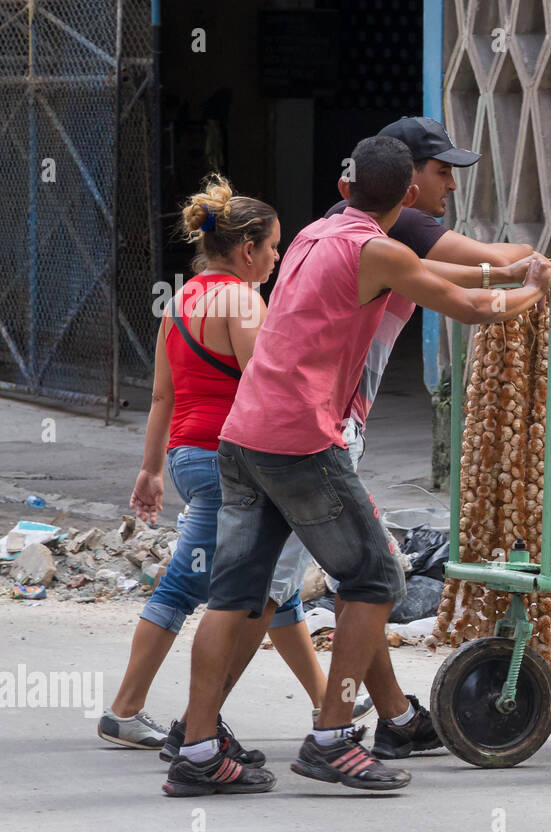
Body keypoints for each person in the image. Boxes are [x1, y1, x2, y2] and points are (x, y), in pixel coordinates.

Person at [162, 135, 551, 796]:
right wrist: (534, 292)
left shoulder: (318, 235)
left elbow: (439, 281)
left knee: (235, 597)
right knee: (374, 577)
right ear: (406, 195)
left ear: (345, 190)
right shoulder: (379, 251)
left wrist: (507, 279)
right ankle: (334, 736)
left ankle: (197, 748)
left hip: (242, 435)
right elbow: (464, 306)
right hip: (299, 440)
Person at [265, 115, 536, 760]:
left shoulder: (335, 224)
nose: (450, 188)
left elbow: (471, 280)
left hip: (299, 423)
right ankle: (220, 736)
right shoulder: (398, 227)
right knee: (298, 587)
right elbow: (480, 278)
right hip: (321, 428)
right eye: (443, 173)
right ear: (407, 180)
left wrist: (513, 275)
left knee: (358, 581)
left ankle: (394, 715)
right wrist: (538, 276)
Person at [98, 176, 368, 758]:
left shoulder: (181, 299)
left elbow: (161, 398)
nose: (276, 258)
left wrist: (151, 470)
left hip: (187, 456)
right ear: (247, 250)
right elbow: (262, 386)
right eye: (272, 247)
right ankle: (126, 710)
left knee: (275, 588)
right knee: (191, 585)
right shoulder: (244, 301)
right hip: (232, 464)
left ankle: (329, 700)